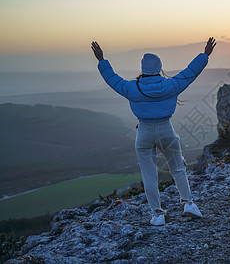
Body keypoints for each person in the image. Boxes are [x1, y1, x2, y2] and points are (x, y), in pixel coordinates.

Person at [91, 37, 216, 226]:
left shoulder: (131, 88)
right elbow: (191, 72)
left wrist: (101, 61)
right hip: (166, 129)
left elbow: (112, 79)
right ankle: (188, 204)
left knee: (149, 174)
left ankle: (157, 215)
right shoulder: (171, 84)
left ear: (143, 69)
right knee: (178, 167)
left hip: (143, 132)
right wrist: (205, 55)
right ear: (159, 68)